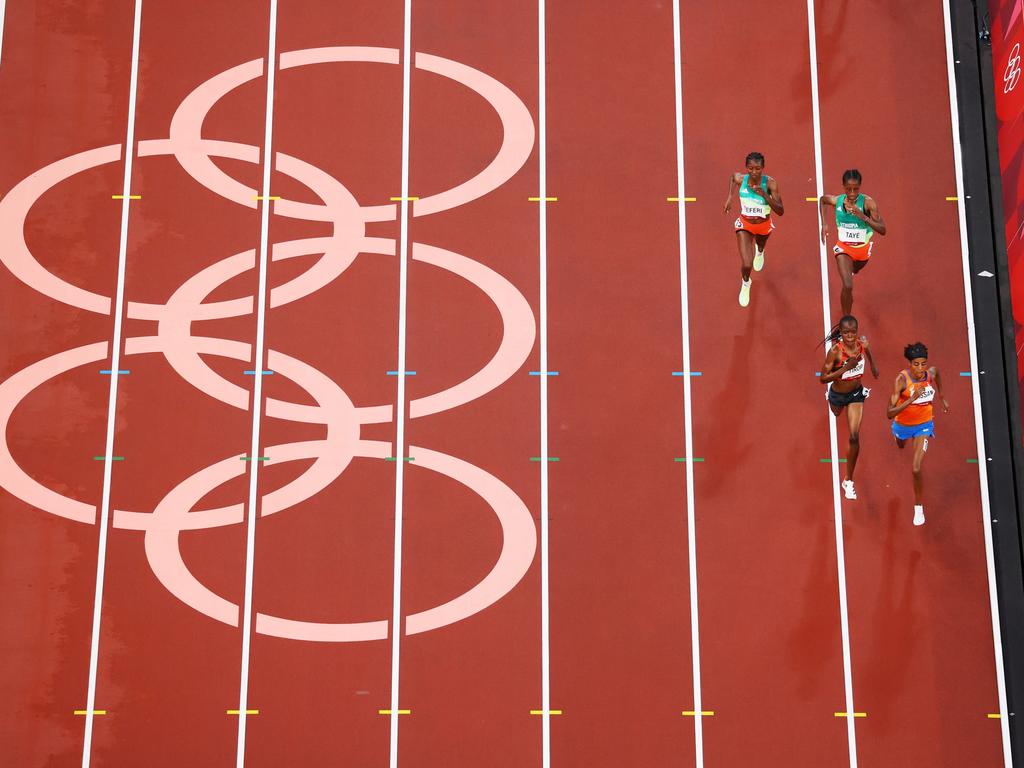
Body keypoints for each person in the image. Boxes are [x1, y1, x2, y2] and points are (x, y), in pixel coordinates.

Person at [886, 342, 949, 526]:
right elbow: (889, 413)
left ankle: (918, 507)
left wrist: (942, 397)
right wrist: (912, 399)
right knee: (900, 443)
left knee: (916, 468)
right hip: (902, 426)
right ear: (909, 364)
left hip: (924, 425)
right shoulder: (902, 380)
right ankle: (899, 438)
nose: (920, 368)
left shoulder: (930, 374)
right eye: (916, 364)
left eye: (923, 363)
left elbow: (937, 375)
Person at [819, 315, 878, 500]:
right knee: (836, 413)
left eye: (853, 332)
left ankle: (848, 480)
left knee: (854, 437)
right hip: (837, 393)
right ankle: (831, 400)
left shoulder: (861, 345)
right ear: (842, 333)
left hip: (855, 394)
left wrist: (874, 367)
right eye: (846, 333)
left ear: (857, 331)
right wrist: (845, 368)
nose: (850, 336)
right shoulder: (835, 352)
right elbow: (823, 378)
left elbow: (867, 352)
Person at [818, 169, 886, 316]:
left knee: (855, 270)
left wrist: (863, 217)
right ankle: (846, 319)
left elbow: (882, 229)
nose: (852, 193)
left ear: (860, 187)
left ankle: (853, 269)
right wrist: (824, 224)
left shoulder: (868, 204)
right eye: (849, 189)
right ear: (843, 186)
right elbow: (823, 200)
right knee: (848, 286)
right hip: (843, 248)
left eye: (856, 189)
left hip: (862, 251)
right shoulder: (838, 201)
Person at [723, 151, 784, 307]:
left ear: (763, 168)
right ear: (746, 168)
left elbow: (780, 211)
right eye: (750, 168)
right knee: (747, 264)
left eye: (757, 168)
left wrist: (765, 195)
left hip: (763, 225)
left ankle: (760, 251)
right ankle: (745, 283)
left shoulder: (770, 184)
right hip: (745, 225)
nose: (754, 172)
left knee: (761, 244)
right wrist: (730, 197)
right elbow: (732, 177)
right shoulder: (741, 179)